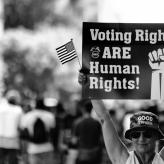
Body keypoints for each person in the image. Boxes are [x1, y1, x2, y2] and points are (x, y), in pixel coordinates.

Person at [78, 71, 164, 164]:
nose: (141, 139)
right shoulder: (124, 160)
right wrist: (89, 86)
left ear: (156, 137)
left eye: (148, 134)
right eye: (136, 135)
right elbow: (104, 118)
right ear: (131, 138)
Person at [20, 98, 56, 164]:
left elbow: (24, 136)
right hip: (47, 147)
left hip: (33, 149)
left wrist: (24, 153)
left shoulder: (27, 116)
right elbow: (53, 133)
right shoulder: (50, 116)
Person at [72, 98, 102, 164]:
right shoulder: (97, 123)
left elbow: (74, 141)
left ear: (83, 109)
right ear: (91, 108)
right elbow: (100, 139)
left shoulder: (77, 122)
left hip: (82, 155)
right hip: (95, 155)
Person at [0, 90, 23, 164]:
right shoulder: (19, 110)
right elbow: (21, 126)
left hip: (1, 138)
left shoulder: (1, 108)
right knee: (12, 160)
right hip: (13, 140)